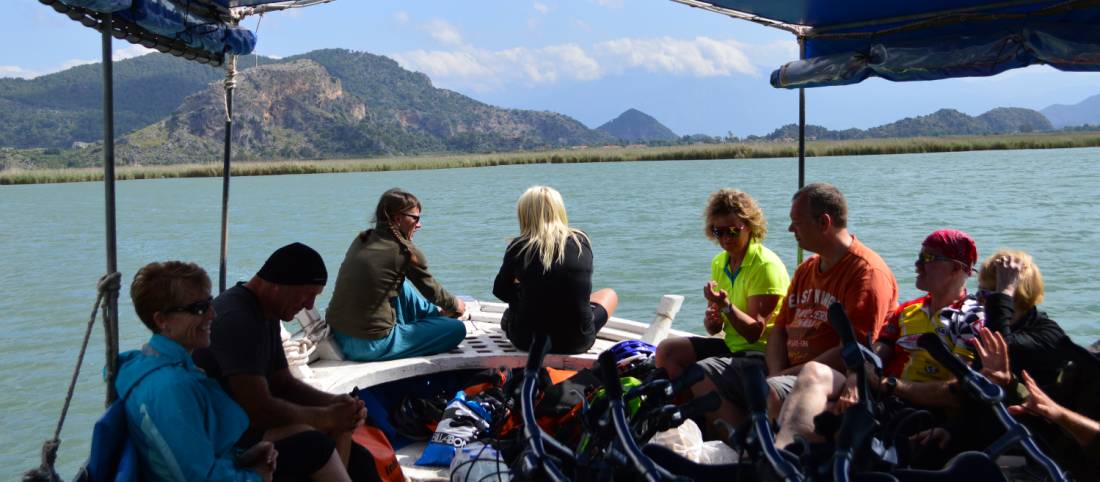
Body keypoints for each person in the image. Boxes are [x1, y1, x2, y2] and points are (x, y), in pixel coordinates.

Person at [692, 182, 898, 430]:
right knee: (701, 374)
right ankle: (742, 446)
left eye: (797, 222)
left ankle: (769, 457)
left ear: (823, 223)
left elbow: (854, 350)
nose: (790, 229)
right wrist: (777, 371)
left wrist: (780, 377)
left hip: (826, 376)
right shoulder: (806, 270)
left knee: (768, 391)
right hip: (782, 369)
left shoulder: (866, 273)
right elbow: (779, 330)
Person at [122, 260, 349, 482]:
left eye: (209, 303)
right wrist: (253, 476)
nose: (212, 314)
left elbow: (202, 454)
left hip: (231, 463)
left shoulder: (176, 369)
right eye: (199, 309)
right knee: (314, 447)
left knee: (313, 445)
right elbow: (196, 477)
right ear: (162, 320)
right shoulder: (170, 388)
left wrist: (244, 458)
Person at [773, 229, 982, 447]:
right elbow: (874, 355)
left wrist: (891, 385)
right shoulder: (907, 311)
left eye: (928, 258)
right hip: (882, 400)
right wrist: (855, 381)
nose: (917, 265)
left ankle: (784, 455)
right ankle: (780, 454)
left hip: (920, 414)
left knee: (809, 418)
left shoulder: (971, 317)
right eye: (919, 257)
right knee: (813, 374)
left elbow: (959, 390)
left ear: (957, 268)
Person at [192, 243, 377, 481]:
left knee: (361, 461)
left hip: (253, 430)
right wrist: (328, 417)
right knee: (316, 447)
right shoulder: (238, 319)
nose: (310, 306)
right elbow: (260, 409)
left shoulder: (266, 311)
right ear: (278, 285)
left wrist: (337, 403)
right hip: (229, 442)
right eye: (307, 294)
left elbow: (283, 383)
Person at [654, 188, 789, 380]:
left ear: (749, 226)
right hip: (731, 346)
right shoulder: (719, 262)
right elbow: (714, 330)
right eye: (719, 231)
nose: (726, 238)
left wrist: (726, 307)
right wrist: (712, 321)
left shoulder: (765, 266)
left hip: (761, 354)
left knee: (702, 370)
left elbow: (754, 333)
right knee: (666, 351)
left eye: (733, 231)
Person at [326, 188, 467, 361]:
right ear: (398, 218)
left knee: (401, 284)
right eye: (416, 218)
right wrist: (456, 305)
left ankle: (434, 315)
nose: (419, 224)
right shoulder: (404, 252)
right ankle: (440, 317)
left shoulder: (362, 238)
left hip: (338, 335)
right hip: (370, 345)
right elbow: (433, 291)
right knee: (456, 328)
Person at [492, 185, 618, 354]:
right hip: (577, 341)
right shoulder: (581, 241)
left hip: (527, 341)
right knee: (609, 294)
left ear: (524, 215)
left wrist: (521, 288)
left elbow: (500, 291)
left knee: (518, 306)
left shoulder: (519, 247)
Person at [976, 250, 1067, 391]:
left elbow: (1000, 349)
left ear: (1012, 295)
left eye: (986, 294)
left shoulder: (1049, 334)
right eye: (979, 292)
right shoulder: (992, 326)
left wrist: (1003, 292)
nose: (979, 299)